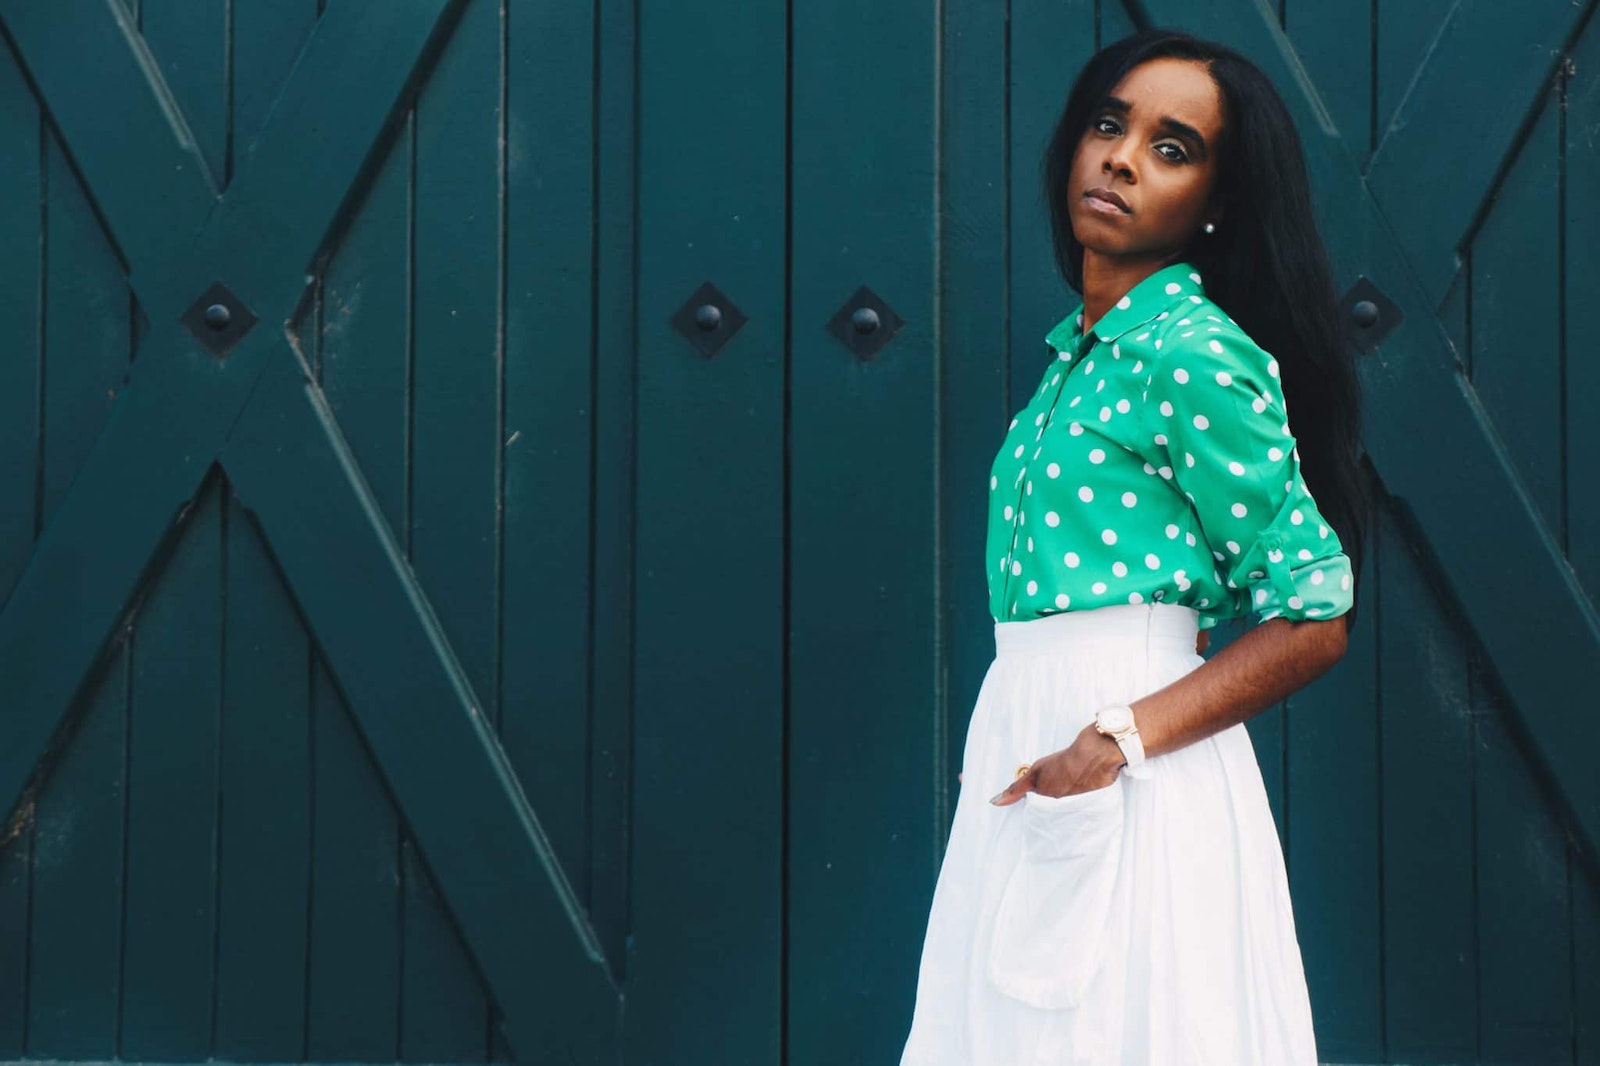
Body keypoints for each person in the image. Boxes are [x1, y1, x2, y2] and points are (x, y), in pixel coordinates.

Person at [898, 27, 1370, 1066]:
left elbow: (1315, 612)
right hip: (1032, 737)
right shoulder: (1080, 358)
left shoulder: (1191, 354)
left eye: (1171, 146)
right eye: (1109, 125)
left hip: (1132, 760)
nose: (1118, 157)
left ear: (1214, 201)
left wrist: (1115, 738)